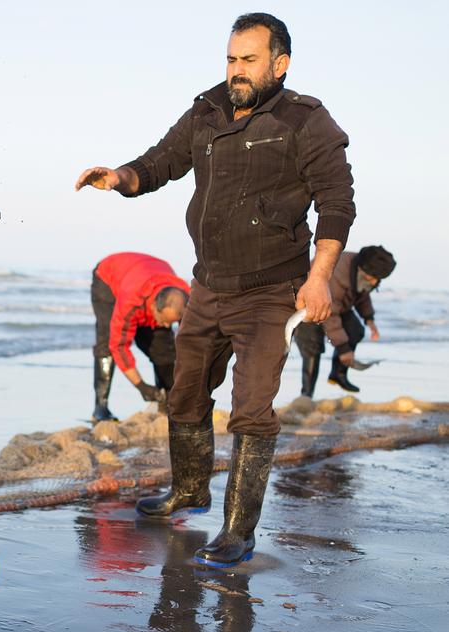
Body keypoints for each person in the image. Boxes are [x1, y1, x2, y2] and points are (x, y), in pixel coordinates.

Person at [74, 12, 355, 567]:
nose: (236, 70)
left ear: (280, 63)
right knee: (184, 394)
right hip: (207, 286)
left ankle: (237, 531)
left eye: (249, 60)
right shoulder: (206, 110)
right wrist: (120, 177)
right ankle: (189, 491)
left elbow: (337, 203)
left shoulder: (305, 120)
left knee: (251, 408)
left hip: (271, 292)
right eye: (231, 59)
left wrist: (319, 276)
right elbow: (160, 163)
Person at [90, 252, 190, 422]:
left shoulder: (186, 297)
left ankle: (166, 403)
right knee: (107, 342)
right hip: (109, 277)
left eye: (171, 322)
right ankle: (101, 408)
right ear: (153, 308)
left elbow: (189, 339)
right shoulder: (131, 302)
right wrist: (141, 386)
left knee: (164, 347)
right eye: (164, 320)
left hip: (151, 271)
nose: (167, 326)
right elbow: (119, 346)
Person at [293, 244, 396, 396]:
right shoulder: (338, 272)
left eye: (377, 280)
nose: (374, 283)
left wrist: (369, 319)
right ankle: (306, 395)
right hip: (308, 305)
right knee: (312, 349)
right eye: (371, 278)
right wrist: (343, 348)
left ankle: (338, 374)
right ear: (361, 269)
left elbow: (363, 294)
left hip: (338, 307)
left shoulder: (363, 270)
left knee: (355, 330)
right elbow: (331, 315)